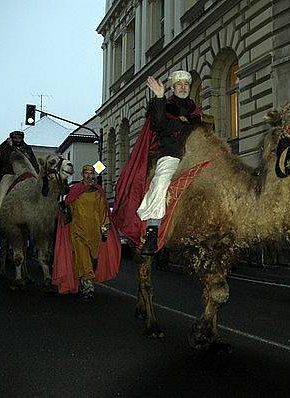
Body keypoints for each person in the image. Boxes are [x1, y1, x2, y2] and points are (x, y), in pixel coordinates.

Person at [136, 70, 203, 254]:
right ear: (173, 88)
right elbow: (159, 124)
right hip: (171, 154)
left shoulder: (195, 110)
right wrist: (159, 97)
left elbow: (199, 131)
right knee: (161, 182)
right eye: (179, 84)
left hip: (195, 154)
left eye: (186, 84)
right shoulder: (165, 105)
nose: (183, 87)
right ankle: (152, 230)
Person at [53, 165, 121, 298]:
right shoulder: (75, 191)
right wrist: (64, 207)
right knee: (83, 258)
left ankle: (84, 281)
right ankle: (88, 286)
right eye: (86, 173)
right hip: (77, 231)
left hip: (94, 232)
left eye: (91, 173)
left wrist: (105, 227)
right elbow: (68, 208)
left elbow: (103, 212)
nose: (89, 176)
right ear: (82, 174)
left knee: (93, 259)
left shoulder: (98, 192)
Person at [0, 130, 40, 227]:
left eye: (19, 138)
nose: (17, 140)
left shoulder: (27, 149)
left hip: (25, 175)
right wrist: (9, 147)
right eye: (15, 138)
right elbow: (1, 159)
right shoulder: (5, 148)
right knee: (3, 187)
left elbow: (34, 163)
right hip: (10, 174)